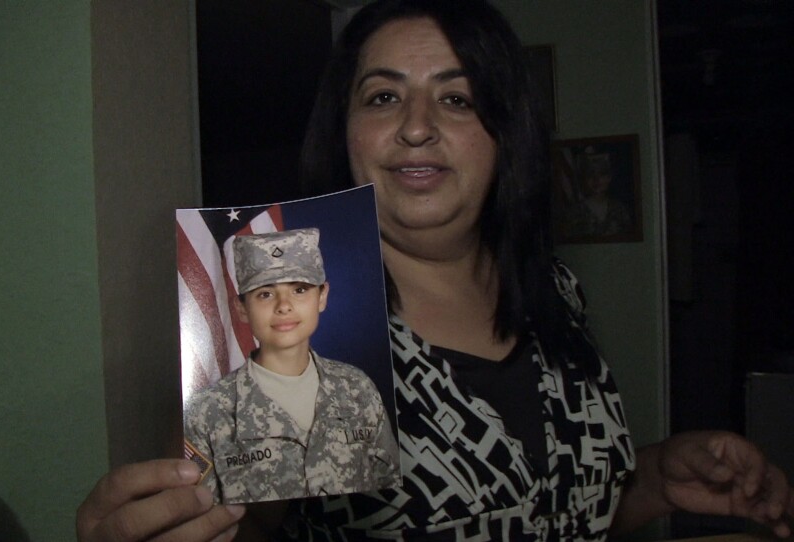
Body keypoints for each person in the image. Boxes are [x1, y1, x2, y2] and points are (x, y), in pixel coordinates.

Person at [76, 0, 794, 540]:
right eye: (383, 96)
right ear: (345, 131)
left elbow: (556, 506)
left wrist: (661, 478)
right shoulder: (294, 326)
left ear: (505, 133)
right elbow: (245, 521)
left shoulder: (556, 293)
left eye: (457, 97)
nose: (417, 125)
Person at [184, 228, 400, 504]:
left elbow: (390, 486)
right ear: (241, 308)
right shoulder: (208, 412)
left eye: (299, 289)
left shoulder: (357, 388)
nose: (284, 306)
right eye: (265, 294)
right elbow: (204, 515)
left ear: (322, 296)